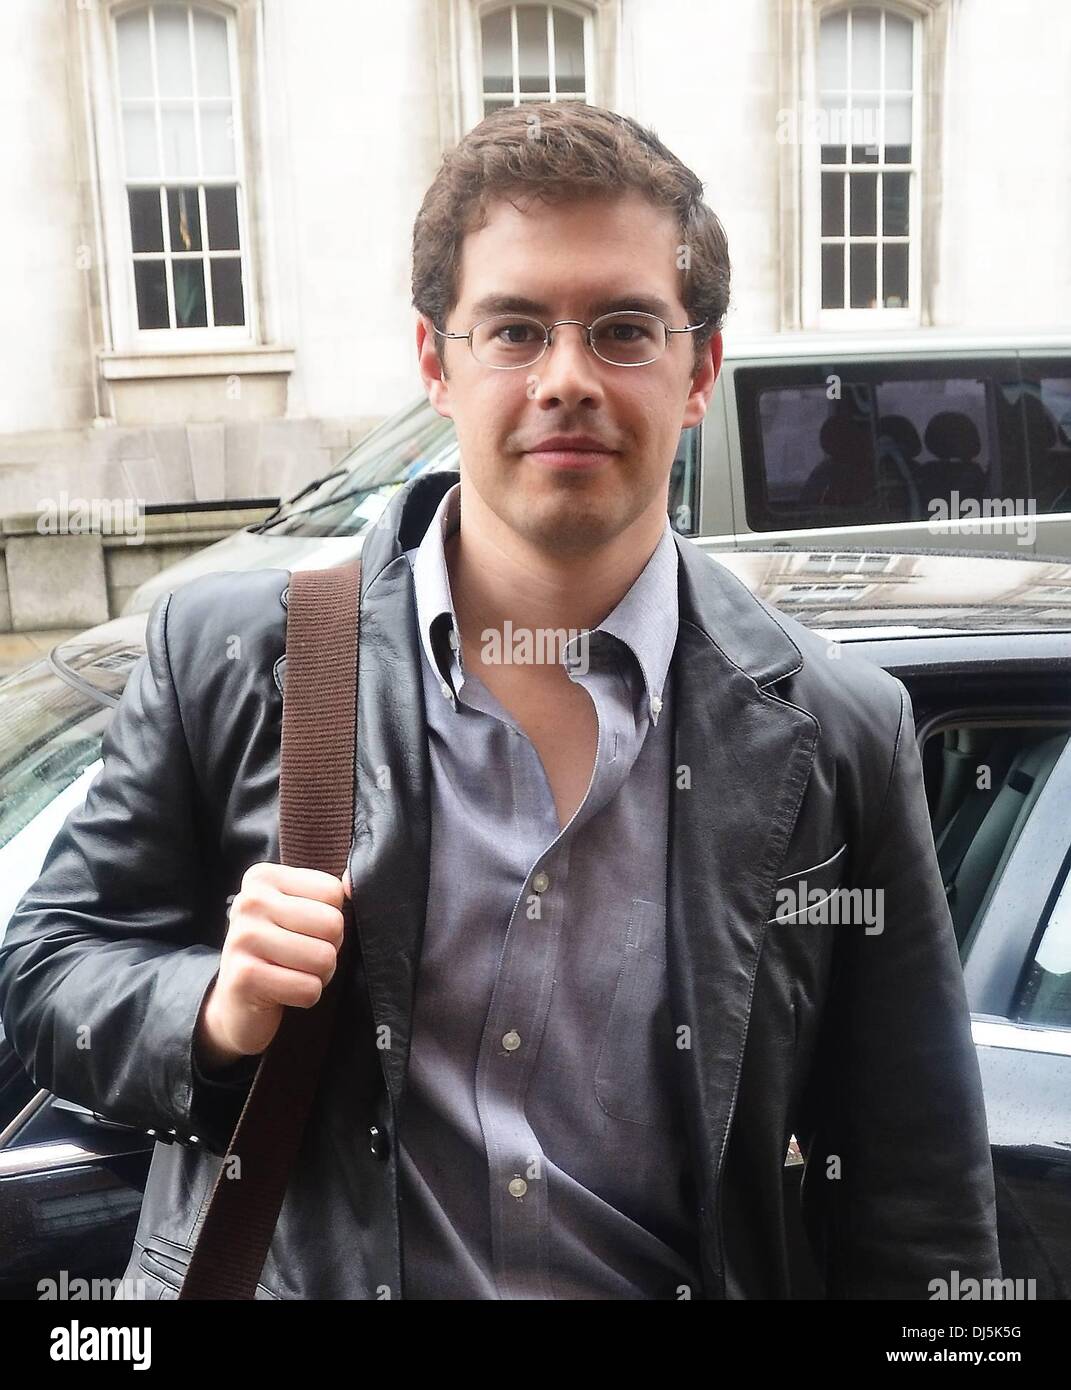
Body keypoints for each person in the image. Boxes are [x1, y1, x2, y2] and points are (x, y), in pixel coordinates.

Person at [0, 102, 1000, 1300]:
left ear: (701, 371)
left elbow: (917, 1188)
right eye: (515, 329)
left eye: (625, 329)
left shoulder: (840, 728)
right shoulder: (231, 656)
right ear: (437, 362)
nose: (568, 378)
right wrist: (210, 1011)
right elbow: (47, 968)